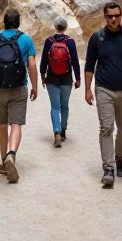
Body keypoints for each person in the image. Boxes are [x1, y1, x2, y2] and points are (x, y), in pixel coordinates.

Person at [84, 1, 122, 188]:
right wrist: (87, 89)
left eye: (116, 15)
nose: (113, 19)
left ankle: (120, 159)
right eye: (109, 16)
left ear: (121, 15)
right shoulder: (97, 38)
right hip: (104, 89)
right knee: (106, 128)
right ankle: (108, 168)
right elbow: (89, 66)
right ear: (104, 17)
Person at [0, 8, 38, 183]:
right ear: (18, 22)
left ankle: (3, 159)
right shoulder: (26, 39)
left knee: (1, 124)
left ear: (5, 22)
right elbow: (32, 66)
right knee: (16, 124)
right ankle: (11, 155)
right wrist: (34, 87)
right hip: (19, 87)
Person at [40, 15, 81, 147]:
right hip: (66, 78)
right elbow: (75, 61)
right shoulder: (70, 42)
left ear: (55, 27)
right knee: (64, 106)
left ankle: (56, 131)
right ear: (65, 27)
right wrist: (78, 78)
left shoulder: (49, 41)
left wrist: (42, 75)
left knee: (54, 107)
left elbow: (44, 60)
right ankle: (63, 131)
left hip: (52, 78)